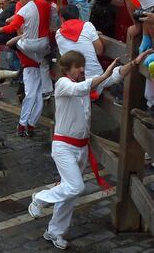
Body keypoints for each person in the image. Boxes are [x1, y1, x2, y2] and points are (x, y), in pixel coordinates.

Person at [28, 49, 153, 250]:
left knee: (70, 192)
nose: (82, 69)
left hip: (80, 148)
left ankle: (54, 232)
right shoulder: (62, 84)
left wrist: (135, 62)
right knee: (76, 187)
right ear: (67, 69)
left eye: (82, 66)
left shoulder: (85, 84)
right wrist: (102, 76)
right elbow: (85, 87)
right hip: (63, 147)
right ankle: (40, 197)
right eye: (78, 66)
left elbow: (113, 77)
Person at [0, 0, 52, 137]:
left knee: (32, 96)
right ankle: (29, 124)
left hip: (31, 67)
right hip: (38, 60)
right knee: (36, 96)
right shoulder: (40, 6)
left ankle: (23, 124)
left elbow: (10, 38)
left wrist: (0, 30)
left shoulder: (22, 36)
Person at [55, 4, 105, 98]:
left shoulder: (58, 34)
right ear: (78, 15)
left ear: (62, 18)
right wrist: (93, 34)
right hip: (96, 81)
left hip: (76, 83)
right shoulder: (88, 26)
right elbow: (100, 51)